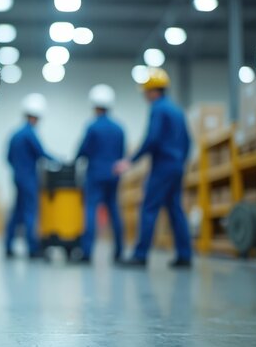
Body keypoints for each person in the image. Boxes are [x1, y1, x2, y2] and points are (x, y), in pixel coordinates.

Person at [114, 68, 192, 268]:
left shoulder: (158, 109)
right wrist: (180, 161)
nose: (144, 95)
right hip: (176, 166)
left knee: (149, 208)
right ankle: (185, 255)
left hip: (162, 166)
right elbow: (187, 141)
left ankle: (140, 255)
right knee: (175, 209)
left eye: (145, 91)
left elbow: (152, 139)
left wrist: (130, 160)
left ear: (152, 91)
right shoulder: (176, 110)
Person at [75, 84, 125, 263]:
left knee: (90, 210)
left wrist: (75, 160)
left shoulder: (92, 127)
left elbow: (82, 151)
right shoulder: (119, 128)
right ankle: (119, 252)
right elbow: (121, 154)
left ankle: (87, 252)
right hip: (113, 175)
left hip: (95, 174)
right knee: (114, 210)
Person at [5, 105, 55, 259]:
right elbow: (41, 153)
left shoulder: (15, 134)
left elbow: (8, 157)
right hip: (29, 179)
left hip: (18, 177)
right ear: (34, 117)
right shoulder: (29, 133)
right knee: (30, 212)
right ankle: (32, 249)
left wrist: (18, 170)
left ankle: (8, 247)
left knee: (17, 212)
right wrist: (58, 160)